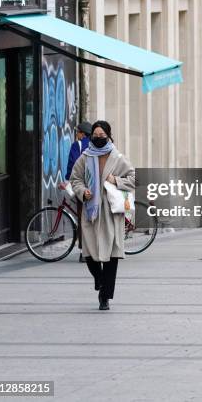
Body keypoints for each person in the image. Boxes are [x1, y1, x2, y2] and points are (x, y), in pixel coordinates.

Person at [70, 120, 135, 310]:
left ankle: (105, 297)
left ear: (108, 135)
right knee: (89, 253)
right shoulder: (85, 157)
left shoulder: (118, 157)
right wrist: (83, 191)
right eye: (95, 136)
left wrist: (114, 179)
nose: (98, 139)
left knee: (111, 255)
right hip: (91, 211)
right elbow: (75, 179)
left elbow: (133, 178)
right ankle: (100, 281)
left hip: (111, 212)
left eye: (102, 136)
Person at [58, 121, 92, 263]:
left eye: (77, 132)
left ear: (82, 134)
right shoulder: (97, 145)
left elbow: (73, 165)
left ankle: (85, 252)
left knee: (82, 218)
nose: (76, 134)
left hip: (82, 187)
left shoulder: (77, 145)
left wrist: (67, 180)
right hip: (95, 186)